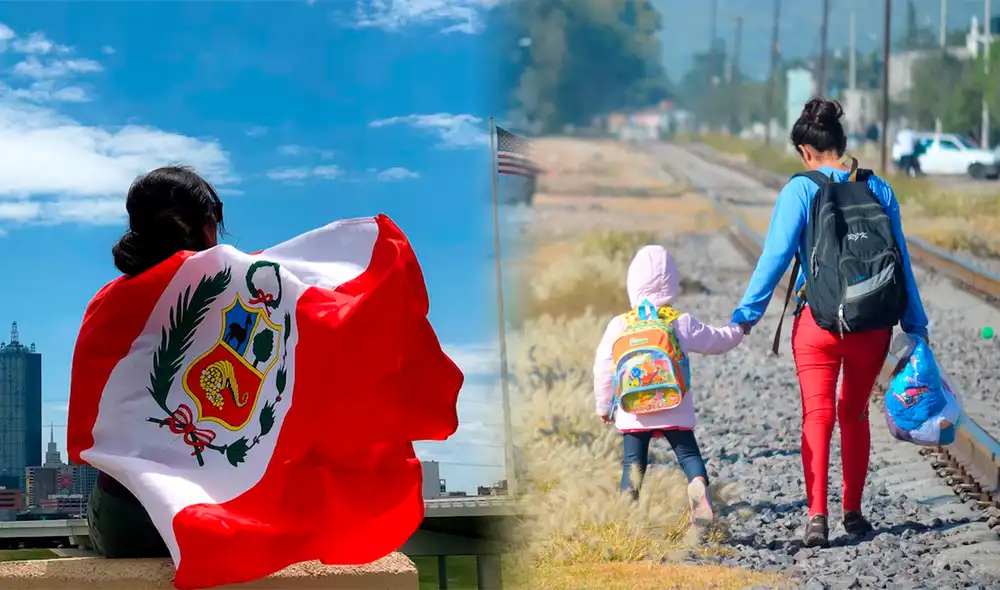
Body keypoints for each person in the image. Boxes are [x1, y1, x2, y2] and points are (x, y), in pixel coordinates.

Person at [731, 98, 929, 548]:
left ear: (805, 150)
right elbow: (901, 260)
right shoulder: (879, 189)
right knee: (855, 413)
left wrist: (746, 315)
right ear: (842, 143)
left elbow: (775, 258)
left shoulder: (800, 190)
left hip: (818, 326)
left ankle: (816, 516)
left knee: (817, 416)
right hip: (872, 325)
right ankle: (853, 512)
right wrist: (915, 323)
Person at [83, 165, 224, 558]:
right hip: (217, 504)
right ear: (208, 227)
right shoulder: (244, 295)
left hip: (126, 515)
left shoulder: (108, 302)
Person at [593, 245, 744, 527]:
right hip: (675, 406)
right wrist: (740, 328)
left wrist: (604, 407)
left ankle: (626, 516)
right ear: (672, 284)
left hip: (633, 411)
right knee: (688, 455)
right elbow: (718, 341)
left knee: (632, 465)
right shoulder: (680, 322)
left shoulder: (619, 325)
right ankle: (698, 484)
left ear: (632, 284)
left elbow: (602, 367)